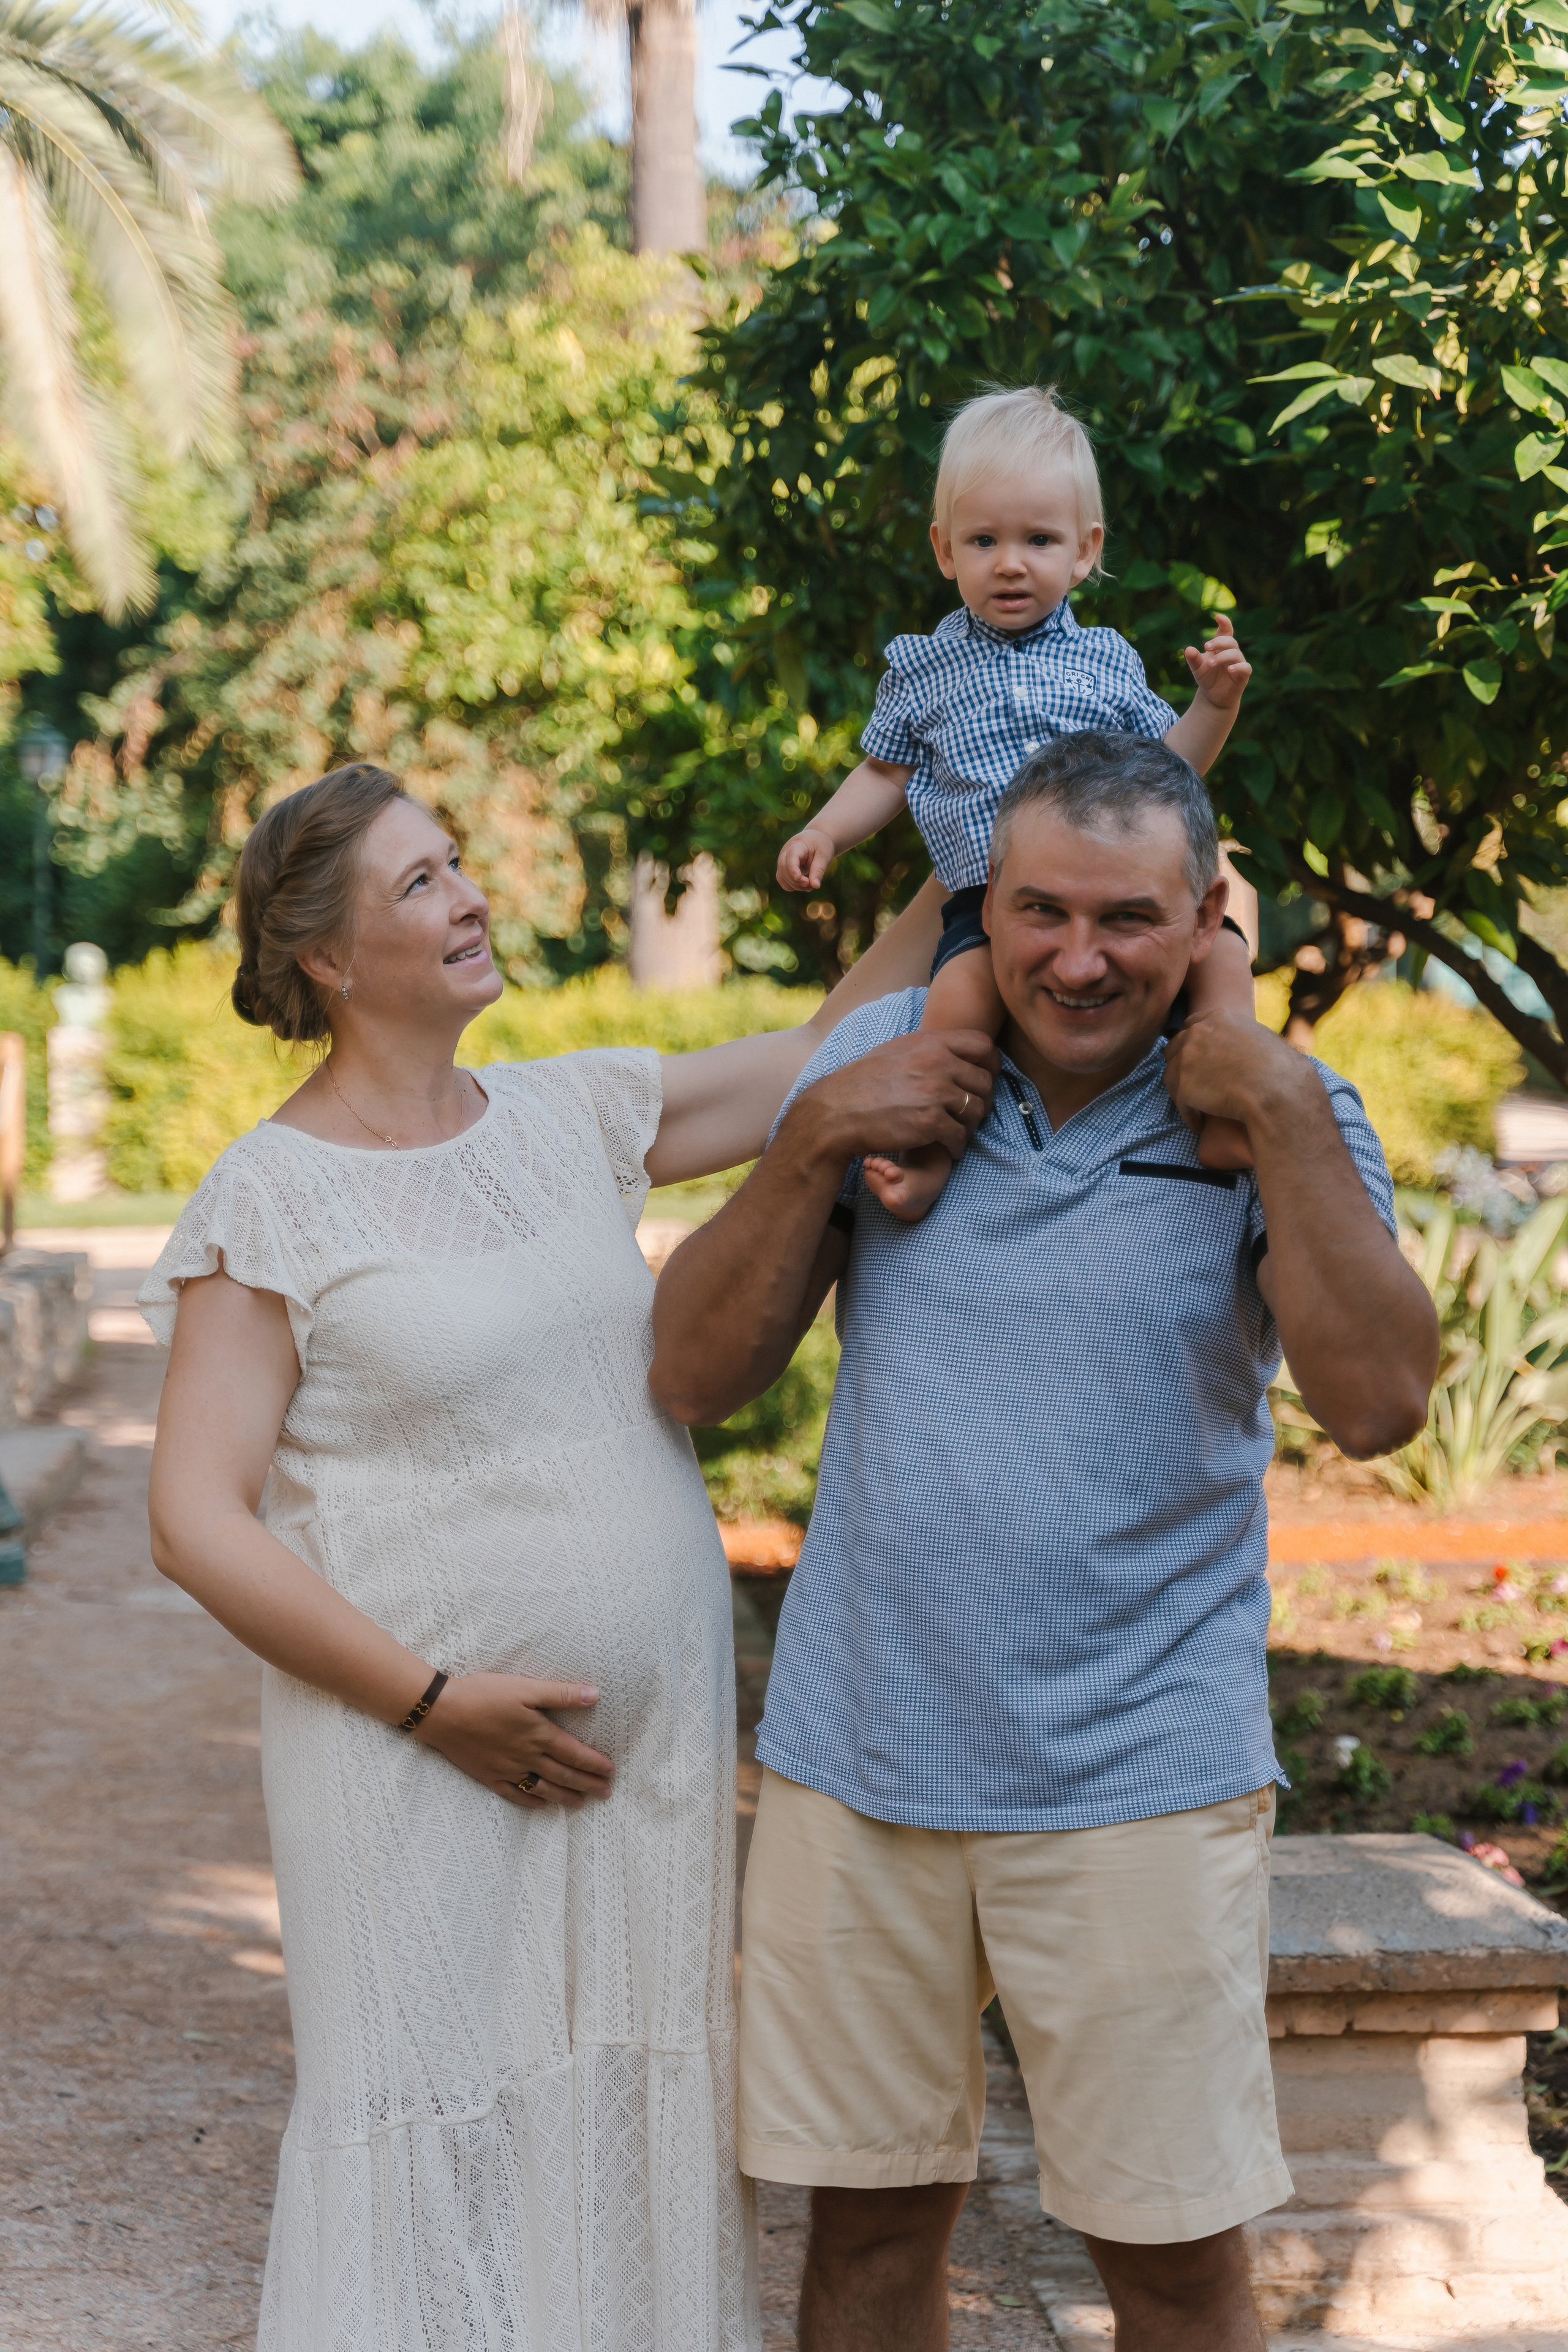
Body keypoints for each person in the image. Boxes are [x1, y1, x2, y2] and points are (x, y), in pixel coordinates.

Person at [138, 762, 986, 2352]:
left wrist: (970, 865)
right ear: (322, 957)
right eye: (418, 885)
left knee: (628, 2116)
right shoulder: (274, 1196)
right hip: (415, 1769)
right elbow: (194, 1517)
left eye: (458, 863)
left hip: (638, 1788)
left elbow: (821, 1062)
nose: (467, 898)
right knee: (440, 2127)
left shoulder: (570, 1110)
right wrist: (428, 1700)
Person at [649, 730, 1438, 2352]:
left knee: (1170, 2262)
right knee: (864, 2240)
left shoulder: (1277, 1109)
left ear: (1204, 913)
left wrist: (1282, 1112)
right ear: (984, 908)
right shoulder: (882, 1074)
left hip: (1140, 1776)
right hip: (861, 1761)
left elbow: (1378, 1405)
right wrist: (807, 1141)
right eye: (1040, 912)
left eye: (1128, 921)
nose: (1078, 960)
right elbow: (691, 1377)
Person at [774, 383, 1257, 1220]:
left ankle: (1220, 1108)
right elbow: (884, 774)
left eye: (1038, 539)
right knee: (955, 1011)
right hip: (988, 901)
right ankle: (927, 1151)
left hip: (1116, 892)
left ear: (1083, 550)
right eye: (984, 539)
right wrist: (825, 831)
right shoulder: (924, 669)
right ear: (943, 549)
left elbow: (1172, 770)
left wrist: (1213, 707)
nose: (1009, 562)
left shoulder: (1105, 662)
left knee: (1222, 961)